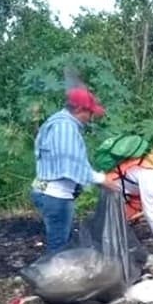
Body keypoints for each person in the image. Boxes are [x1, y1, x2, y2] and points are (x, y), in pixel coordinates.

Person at [32, 86, 112, 252]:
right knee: (58, 247)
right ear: (79, 109)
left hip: (46, 190)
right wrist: (102, 179)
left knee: (59, 239)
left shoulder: (58, 122)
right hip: (55, 195)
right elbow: (69, 164)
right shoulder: (64, 128)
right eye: (90, 113)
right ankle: (52, 276)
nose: (90, 118)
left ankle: (51, 272)